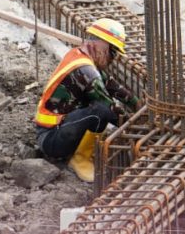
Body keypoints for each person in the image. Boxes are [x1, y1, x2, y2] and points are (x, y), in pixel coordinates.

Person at [33, 18, 139, 182]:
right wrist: (138, 128)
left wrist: (137, 103)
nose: (113, 58)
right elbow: (110, 108)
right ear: (102, 44)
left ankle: (80, 148)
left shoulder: (80, 56)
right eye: (113, 52)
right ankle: (80, 159)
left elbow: (111, 84)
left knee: (99, 109)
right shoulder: (85, 70)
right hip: (51, 140)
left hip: (54, 130)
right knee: (101, 111)